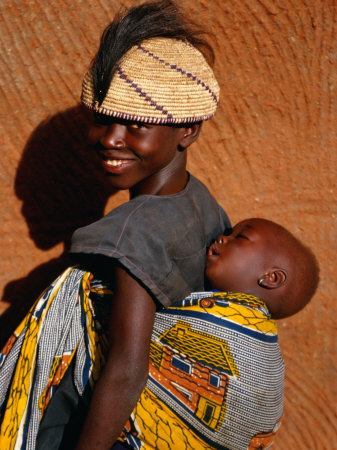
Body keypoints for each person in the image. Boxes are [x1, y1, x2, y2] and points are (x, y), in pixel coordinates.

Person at [0, 1, 230, 449]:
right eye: (103, 119)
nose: (110, 138)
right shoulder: (199, 201)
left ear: (188, 130)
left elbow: (126, 368)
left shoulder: (134, 230)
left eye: (135, 125)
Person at [114, 218, 319, 450]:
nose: (222, 238)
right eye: (229, 233)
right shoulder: (198, 298)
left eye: (240, 238)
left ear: (271, 278)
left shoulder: (246, 343)